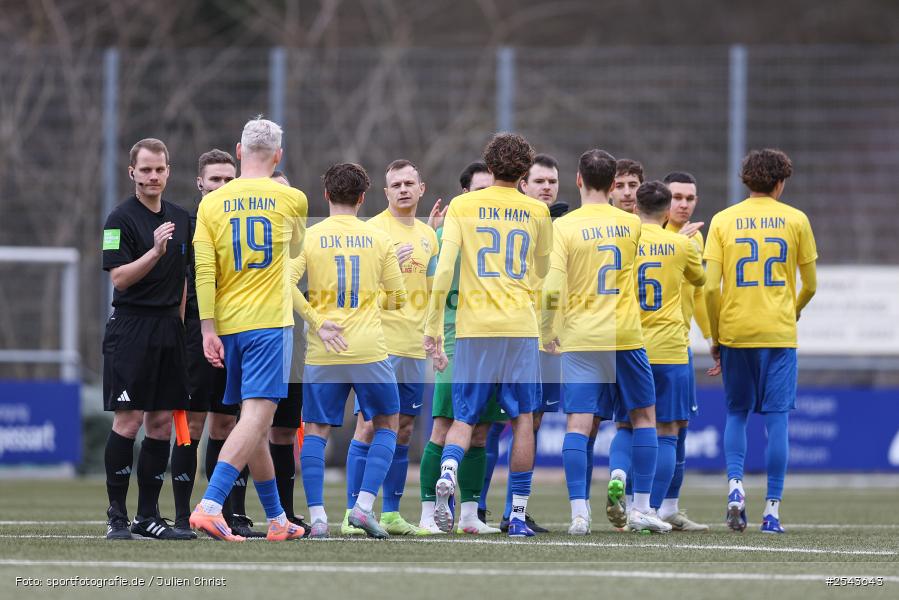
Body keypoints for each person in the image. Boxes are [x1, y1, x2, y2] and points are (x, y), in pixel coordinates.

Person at [424, 133, 553, 537]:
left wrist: (432, 326)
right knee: (523, 419)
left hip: (474, 329)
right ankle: (516, 513)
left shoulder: (463, 205)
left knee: (464, 416)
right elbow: (543, 269)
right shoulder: (536, 210)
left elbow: (444, 270)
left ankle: (448, 470)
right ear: (524, 172)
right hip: (518, 326)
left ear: (490, 167)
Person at [188, 117, 308, 542]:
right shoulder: (292, 198)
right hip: (269, 322)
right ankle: (210, 504)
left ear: (238, 152)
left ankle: (276, 518)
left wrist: (207, 327)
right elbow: (295, 251)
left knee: (251, 419)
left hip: (228, 323)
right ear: (278, 155)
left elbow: (205, 271)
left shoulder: (211, 203)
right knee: (259, 416)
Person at [542, 149, 670, 535]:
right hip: (626, 333)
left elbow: (551, 286)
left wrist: (549, 329)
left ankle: (579, 513)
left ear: (578, 181)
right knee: (643, 418)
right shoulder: (631, 225)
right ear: (614, 185)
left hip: (581, 337)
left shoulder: (563, 227)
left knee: (578, 425)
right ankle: (642, 508)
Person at [704, 149, 817, 534]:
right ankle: (772, 511)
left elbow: (709, 289)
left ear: (745, 181)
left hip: (735, 331)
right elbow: (812, 285)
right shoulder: (796, 220)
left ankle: (735, 489)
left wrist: (716, 333)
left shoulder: (722, 220)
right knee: (778, 419)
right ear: (780, 183)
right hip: (779, 332)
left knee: (736, 414)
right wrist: (793, 310)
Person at [294, 162, 405, 539]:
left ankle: (319, 517)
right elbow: (397, 301)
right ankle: (361, 508)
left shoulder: (310, 236)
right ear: (362, 198)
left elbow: (285, 285)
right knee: (388, 425)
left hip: (324, 350)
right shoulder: (379, 238)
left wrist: (314, 318)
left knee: (316, 431)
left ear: (325, 195)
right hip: (369, 349)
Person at [101, 138, 194, 540]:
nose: (153, 176)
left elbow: (185, 281)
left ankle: (148, 516)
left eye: (160, 169)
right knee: (129, 419)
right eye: (146, 170)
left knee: (161, 424)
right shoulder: (117, 220)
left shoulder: (183, 218)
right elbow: (118, 278)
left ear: (168, 172)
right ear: (132, 173)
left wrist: (182, 324)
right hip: (131, 328)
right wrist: (154, 252)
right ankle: (117, 517)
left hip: (169, 330)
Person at [341, 159, 438, 536]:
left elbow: (431, 292)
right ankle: (352, 512)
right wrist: (385, 274)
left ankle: (393, 513)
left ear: (421, 188)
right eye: (395, 184)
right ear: (385, 192)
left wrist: (434, 335)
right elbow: (355, 293)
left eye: (408, 183)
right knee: (368, 425)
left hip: (414, 347)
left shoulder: (429, 236)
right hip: (378, 346)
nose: (402, 189)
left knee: (404, 429)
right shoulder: (371, 232)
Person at [169, 149, 252, 538]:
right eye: (215, 179)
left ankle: (230, 512)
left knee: (230, 422)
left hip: (239, 331)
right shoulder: (185, 224)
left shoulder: (244, 224)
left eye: (229, 180)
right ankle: (183, 515)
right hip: (194, 335)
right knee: (193, 423)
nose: (222, 186)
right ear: (200, 183)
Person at [419, 161, 504, 535]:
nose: (487, 198)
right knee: (442, 429)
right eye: (478, 191)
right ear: (462, 195)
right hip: (455, 344)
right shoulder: (442, 238)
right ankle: (426, 516)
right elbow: (423, 287)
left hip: (496, 343)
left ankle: (469, 515)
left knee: (481, 433)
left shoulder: (500, 237)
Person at [632, 181, 706, 531]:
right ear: (666, 212)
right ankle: (653, 509)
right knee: (668, 431)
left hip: (631, 345)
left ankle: (634, 503)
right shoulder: (681, 243)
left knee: (629, 426)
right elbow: (701, 278)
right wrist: (686, 245)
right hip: (671, 349)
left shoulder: (624, 242)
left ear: (635, 208)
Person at [658, 171, 714, 531]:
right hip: (645, 345)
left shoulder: (695, 238)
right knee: (645, 429)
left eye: (689, 198)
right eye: (676, 197)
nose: (683, 204)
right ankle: (640, 505)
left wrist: (710, 336)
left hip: (680, 343)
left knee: (679, 428)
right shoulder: (647, 234)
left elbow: (698, 293)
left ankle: (668, 508)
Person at [267, 169, 311, 533]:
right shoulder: (254, 244)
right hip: (258, 337)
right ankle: (232, 509)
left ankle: (285, 512)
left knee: (284, 430)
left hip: (294, 344)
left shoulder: (306, 243)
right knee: (246, 425)